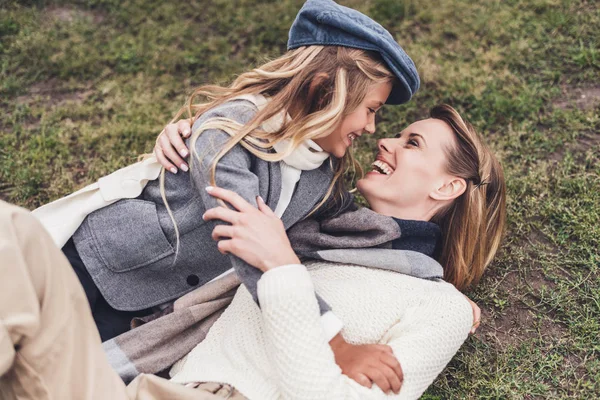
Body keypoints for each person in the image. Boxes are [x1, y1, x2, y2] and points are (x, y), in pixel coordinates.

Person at [1, 104, 506, 399]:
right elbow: (246, 169)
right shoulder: (312, 225)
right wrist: (195, 139)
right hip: (142, 383)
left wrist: (282, 268)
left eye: (412, 143)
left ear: (448, 188)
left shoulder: (441, 307)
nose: (385, 143)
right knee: (16, 234)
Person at [32, 0, 419, 349]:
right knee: (33, 350)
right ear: (323, 93)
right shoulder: (231, 128)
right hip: (103, 263)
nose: (371, 127)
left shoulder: (322, 172)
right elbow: (244, 240)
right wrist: (330, 340)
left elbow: (355, 229)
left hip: (150, 300)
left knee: (70, 374)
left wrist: (433, 268)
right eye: (371, 109)